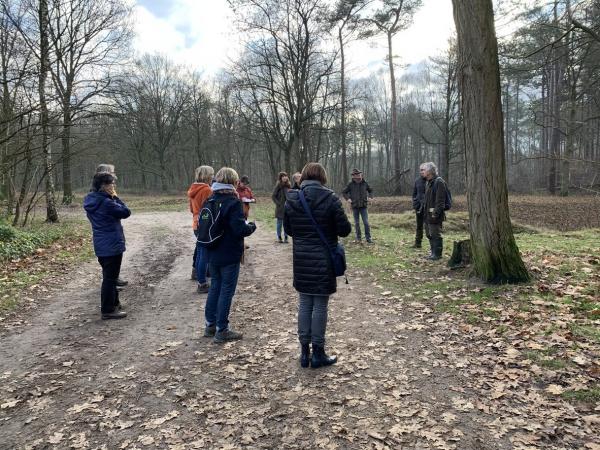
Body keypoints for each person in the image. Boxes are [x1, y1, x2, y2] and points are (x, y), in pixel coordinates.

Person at [284, 163, 351, 368]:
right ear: (323, 176)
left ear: (303, 176)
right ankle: (318, 353)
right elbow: (344, 230)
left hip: (302, 259)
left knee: (305, 304)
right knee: (320, 305)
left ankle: (304, 353)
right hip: (323, 258)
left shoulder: (292, 198)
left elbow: (289, 229)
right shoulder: (330, 198)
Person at [204, 167, 257, 343]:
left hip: (212, 250)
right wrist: (251, 227)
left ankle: (210, 325)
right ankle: (222, 330)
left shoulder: (210, 198)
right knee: (226, 290)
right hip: (229, 252)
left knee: (215, 288)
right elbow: (239, 229)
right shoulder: (233, 202)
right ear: (233, 182)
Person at [83, 173, 131, 320]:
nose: (114, 186)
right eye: (112, 184)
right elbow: (126, 212)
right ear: (104, 186)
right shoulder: (107, 203)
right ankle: (108, 309)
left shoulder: (90, 200)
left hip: (101, 243)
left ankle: (114, 303)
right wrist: (115, 197)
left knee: (109, 276)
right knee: (110, 279)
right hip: (112, 244)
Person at [94, 164, 128, 288]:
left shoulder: (95, 196)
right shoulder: (103, 197)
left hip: (105, 234)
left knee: (110, 263)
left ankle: (113, 280)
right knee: (111, 262)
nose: (114, 175)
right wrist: (115, 198)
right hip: (109, 234)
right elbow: (124, 212)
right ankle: (112, 283)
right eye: (112, 172)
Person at [188, 166, 214, 293]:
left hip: (196, 223)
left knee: (199, 251)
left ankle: (199, 276)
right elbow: (211, 209)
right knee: (204, 253)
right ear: (207, 176)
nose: (213, 177)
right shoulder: (207, 190)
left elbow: (192, 210)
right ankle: (202, 283)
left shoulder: (193, 188)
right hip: (204, 224)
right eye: (212, 174)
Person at [422, 162, 448, 260]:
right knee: (429, 234)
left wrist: (435, 213)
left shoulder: (439, 182)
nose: (422, 172)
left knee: (435, 234)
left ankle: (437, 255)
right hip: (427, 214)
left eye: (424, 170)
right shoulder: (428, 182)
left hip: (434, 214)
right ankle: (433, 253)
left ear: (429, 171)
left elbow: (440, 201)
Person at [341, 168, 373, 243]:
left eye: (359, 174)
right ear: (353, 176)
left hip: (363, 206)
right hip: (355, 206)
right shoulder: (350, 184)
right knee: (357, 223)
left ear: (361, 175)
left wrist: (371, 197)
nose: (358, 176)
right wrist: (348, 199)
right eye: (356, 175)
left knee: (366, 222)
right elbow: (344, 192)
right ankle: (358, 238)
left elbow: (370, 190)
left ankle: (368, 238)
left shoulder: (365, 183)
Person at [411, 164, 427, 248]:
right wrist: (415, 202)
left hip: (428, 207)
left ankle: (434, 248)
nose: (422, 171)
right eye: (421, 170)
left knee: (429, 227)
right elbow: (414, 194)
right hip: (419, 207)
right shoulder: (417, 181)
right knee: (419, 226)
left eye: (423, 170)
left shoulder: (431, 180)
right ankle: (418, 243)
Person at [271, 172, 291, 243]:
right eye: (283, 176)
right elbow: (273, 196)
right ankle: (279, 237)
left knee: (286, 223)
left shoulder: (288, 185)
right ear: (280, 178)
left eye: (286, 176)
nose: (285, 177)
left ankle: (286, 237)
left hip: (287, 207)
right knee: (279, 223)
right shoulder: (278, 185)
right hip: (280, 208)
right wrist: (278, 204)